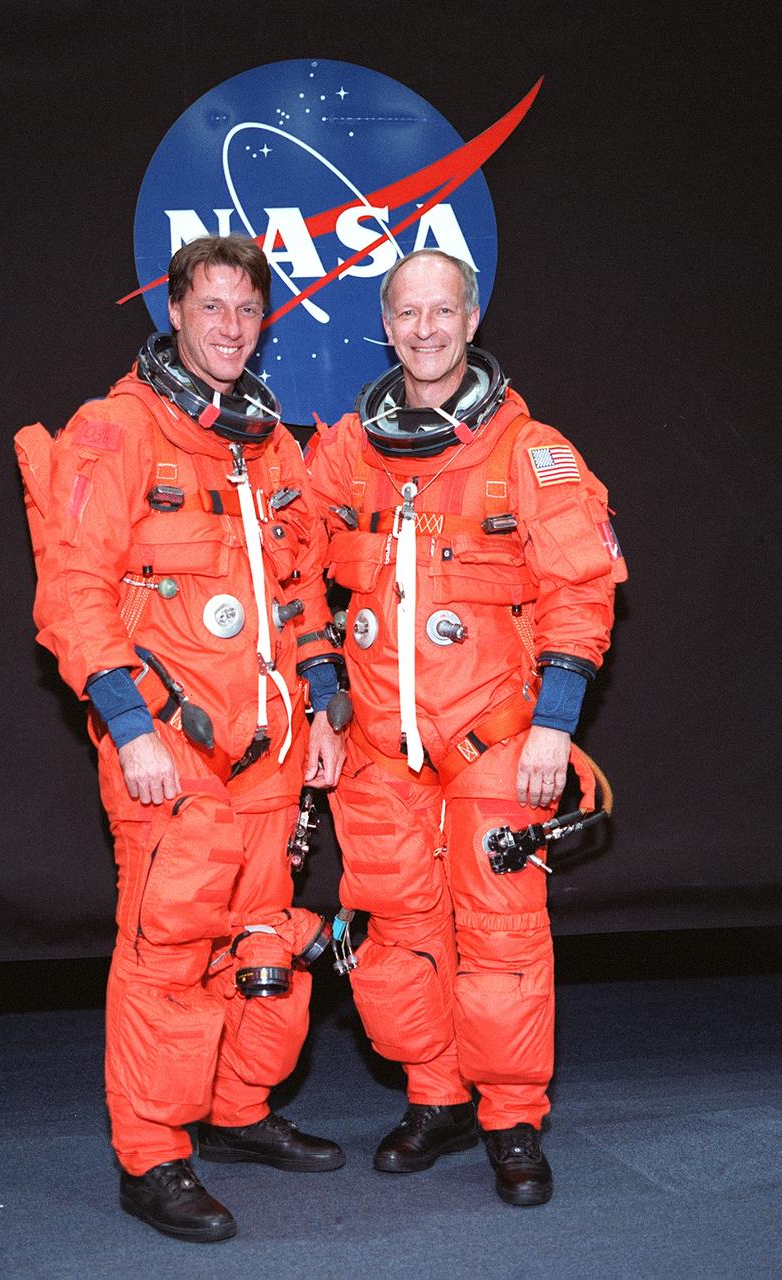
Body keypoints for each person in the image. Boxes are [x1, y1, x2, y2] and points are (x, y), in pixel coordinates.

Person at [16, 236, 349, 1243]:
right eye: (212, 308)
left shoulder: (270, 447)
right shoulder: (116, 431)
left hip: (272, 747)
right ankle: (154, 1152)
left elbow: (303, 589)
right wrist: (130, 728)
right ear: (174, 310)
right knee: (165, 952)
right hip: (170, 744)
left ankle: (238, 1111)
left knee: (260, 940)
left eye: (248, 312)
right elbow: (72, 596)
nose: (230, 329)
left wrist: (326, 707)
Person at [306, 249, 626, 1207]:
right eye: (409, 314)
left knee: (503, 940)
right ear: (388, 325)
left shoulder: (531, 454)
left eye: (443, 311)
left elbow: (580, 593)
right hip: (379, 757)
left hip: (493, 742)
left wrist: (554, 730)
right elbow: (285, 570)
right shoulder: (345, 454)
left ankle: (512, 1117)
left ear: (473, 319)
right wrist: (324, 690)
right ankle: (436, 1095)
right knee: (393, 937)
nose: (427, 330)